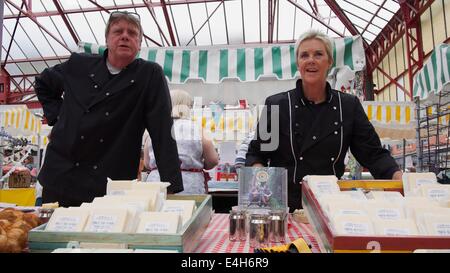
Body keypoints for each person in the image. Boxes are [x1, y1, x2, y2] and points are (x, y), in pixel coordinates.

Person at [34, 11, 183, 207]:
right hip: (62, 175)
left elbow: (162, 131)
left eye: (132, 33)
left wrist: (170, 186)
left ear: (139, 44)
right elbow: (43, 84)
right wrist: (59, 118)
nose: (125, 36)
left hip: (109, 183)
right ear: (107, 39)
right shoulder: (79, 64)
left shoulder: (149, 75)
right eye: (118, 31)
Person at [245, 30, 402, 211]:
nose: (311, 60)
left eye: (318, 54)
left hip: (330, 206)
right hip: (284, 208)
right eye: (304, 55)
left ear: (330, 62)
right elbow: (258, 154)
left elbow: (373, 154)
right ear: (298, 63)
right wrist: (261, 184)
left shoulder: (348, 106)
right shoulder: (276, 105)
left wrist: (399, 178)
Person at [144, 89, 219, 194]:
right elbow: (213, 160)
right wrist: (198, 164)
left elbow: (147, 164)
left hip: (157, 184)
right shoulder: (198, 129)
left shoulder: (155, 128)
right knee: (188, 210)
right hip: (189, 184)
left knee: (157, 209)